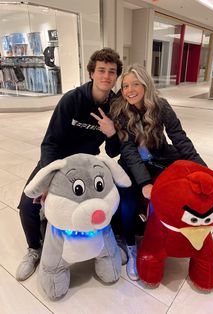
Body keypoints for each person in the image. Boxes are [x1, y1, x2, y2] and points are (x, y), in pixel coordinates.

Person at [16, 47, 123, 281]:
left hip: (88, 164)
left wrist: (112, 133)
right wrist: (49, 177)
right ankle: (34, 249)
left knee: (112, 198)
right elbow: (50, 142)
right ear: (91, 73)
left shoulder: (116, 106)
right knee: (28, 204)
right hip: (58, 161)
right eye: (101, 70)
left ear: (116, 76)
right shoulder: (71, 100)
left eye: (112, 72)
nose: (106, 76)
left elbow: (114, 151)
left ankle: (110, 241)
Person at [110, 63, 207, 281]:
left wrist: (202, 169)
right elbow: (128, 150)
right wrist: (144, 182)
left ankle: (178, 233)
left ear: (146, 85)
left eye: (135, 84)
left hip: (160, 156)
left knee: (185, 182)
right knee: (127, 202)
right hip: (131, 163)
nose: (129, 90)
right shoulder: (121, 111)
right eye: (125, 86)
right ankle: (131, 246)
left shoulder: (161, 106)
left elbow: (180, 138)